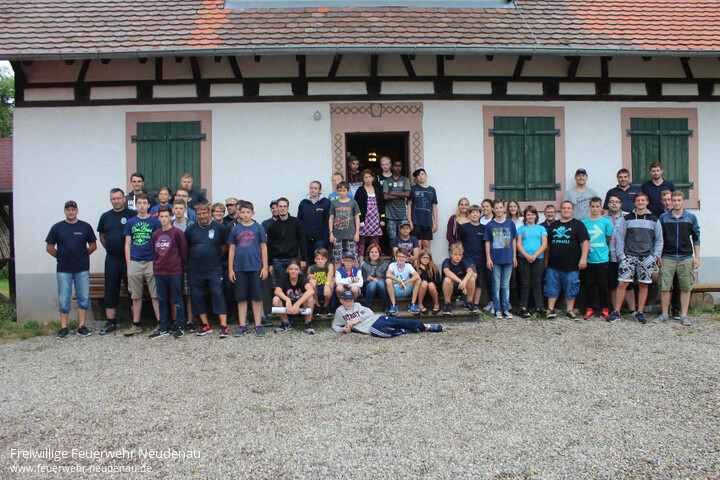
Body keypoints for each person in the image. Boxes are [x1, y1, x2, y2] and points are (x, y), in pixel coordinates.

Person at [608, 193, 663, 324]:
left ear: (647, 202)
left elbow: (659, 240)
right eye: (638, 200)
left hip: (646, 257)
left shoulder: (654, 219)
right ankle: (616, 311)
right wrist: (621, 256)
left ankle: (640, 312)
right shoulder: (627, 219)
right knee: (622, 283)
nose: (640, 202)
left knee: (643, 285)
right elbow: (620, 238)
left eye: (643, 200)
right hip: (629, 256)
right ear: (635, 203)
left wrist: (654, 257)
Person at [46, 201, 97, 338]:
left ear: (77, 211)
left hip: (82, 269)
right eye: (68, 210)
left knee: (83, 297)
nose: (70, 212)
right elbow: (49, 247)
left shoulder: (85, 227)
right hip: (64, 269)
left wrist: (82, 256)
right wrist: (61, 257)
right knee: (64, 298)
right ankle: (64, 327)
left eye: (73, 209)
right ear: (64, 211)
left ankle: (81, 326)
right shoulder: (57, 228)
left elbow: (93, 246)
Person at [185, 202, 230, 337]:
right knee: (198, 296)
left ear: (209, 212)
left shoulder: (219, 227)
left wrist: (215, 256)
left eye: (204, 213)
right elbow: (188, 247)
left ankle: (224, 325)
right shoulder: (191, 229)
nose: (202, 216)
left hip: (214, 268)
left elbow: (225, 245)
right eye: (199, 214)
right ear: (196, 214)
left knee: (218, 294)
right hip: (195, 269)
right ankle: (206, 325)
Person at [656, 191, 700, 326]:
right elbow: (659, 238)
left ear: (683, 201)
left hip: (685, 257)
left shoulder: (691, 218)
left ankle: (684, 315)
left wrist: (697, 257)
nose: (676, 203)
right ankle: (664, 314)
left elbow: (696, 238)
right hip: (667, 256)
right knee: (665, 286)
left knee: (685, 287)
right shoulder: (663, 217)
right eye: (673, 200)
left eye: (678, 200)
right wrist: (659, 255)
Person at [96, 188, 136, 335]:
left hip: (129, 259)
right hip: (112, 259)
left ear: (124, 199)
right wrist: (109, 247)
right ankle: (111, 322)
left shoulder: (132, 215)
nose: (116, 201)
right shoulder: (105, 216)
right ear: (110, 200)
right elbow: (102, 235)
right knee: (110, 289)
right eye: (113, 199)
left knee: (132, 289)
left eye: (119, 198)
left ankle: (135, 322)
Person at [228, 200, 269, 337]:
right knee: (241, 298)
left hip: (256, 267)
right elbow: (231, 249)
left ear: (253, 213)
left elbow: (264, 248)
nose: (245, 215)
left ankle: (258, 325)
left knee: (257, 298)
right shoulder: (235, 229)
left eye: (248, 212)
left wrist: (264, 267)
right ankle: (242, 325)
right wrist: (230, 269)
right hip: (240, 268)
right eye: (243, 212)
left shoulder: (259, 228)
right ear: (239, 213)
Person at [123, 194, 161, 335]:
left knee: (155, 294)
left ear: (148, 205)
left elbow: (158, 243)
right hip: (135, 261)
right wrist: (129, 263)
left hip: (151, 261)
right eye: (140, 203)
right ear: (136, 205)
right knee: (135, 295)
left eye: (145, 203)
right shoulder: (131, 222)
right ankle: (136, 324)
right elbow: (127, 244)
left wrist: (157, 261)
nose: (142, 205)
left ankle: (160, 323)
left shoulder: (155, 222)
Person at [544, 201, 589, 319]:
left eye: (569, 208)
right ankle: (550, 309)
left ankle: (570, 310)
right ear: (561, 210)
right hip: (553, 263)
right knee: (551, 286)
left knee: (571, 286)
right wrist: (546, 258)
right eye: (564, 208)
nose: (566, 210)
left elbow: (585, 241)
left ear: (572, 210)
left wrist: (583, 258)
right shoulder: (554, 225)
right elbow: (548, 244)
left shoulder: (578, 224)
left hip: (572, 264)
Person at [148, 207, 188, 339]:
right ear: (158, 218)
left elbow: (183, 251)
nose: (164, 219)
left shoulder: (177, 233)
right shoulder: (156, 234)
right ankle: (163, 327)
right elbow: (154, 251)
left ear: (171, 217)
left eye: (166, 216)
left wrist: (179, 265)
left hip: (174, 271)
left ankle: (180, 326)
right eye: (162, 216)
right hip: (160, 272)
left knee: (177, 299)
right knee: (162, 300)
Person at [333, 290, 443, 337]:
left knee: (399, 321)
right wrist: (343, 330)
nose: (349, 303)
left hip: (376, 319)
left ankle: (426, 326)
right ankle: (403, 331)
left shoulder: (357, 305)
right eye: (346, 300)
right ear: (341, 301)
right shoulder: (340, 311)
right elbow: (335, 325)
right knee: (383, 333)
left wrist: (357, 320)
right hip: (369, 328)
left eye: (350, 300)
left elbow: (369, 312)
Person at [581, 197, 614, 320]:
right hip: (589, 259)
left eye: (597, 206)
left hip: (602, 259)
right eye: (593, 206)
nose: (595, 209)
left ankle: (604, 308)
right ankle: (589, 308)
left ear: (601, 208)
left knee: (602, 285)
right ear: (589, 207)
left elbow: (608, 238)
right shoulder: (584, 223)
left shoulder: (606, 222)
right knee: (589, 285)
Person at [603, 194, 636, 314]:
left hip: (626, 256)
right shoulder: (603, 219)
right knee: (613, 284)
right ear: (608, 204)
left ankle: (632, 310)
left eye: (616, 202)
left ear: (621, 204)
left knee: (629, 284)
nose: (614, 204)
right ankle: (616, 310)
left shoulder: (629, 217)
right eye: (611, 202)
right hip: (610, 256)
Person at [484, 199, 517, 319]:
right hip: (495, 260)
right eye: (496, 208)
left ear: (504, 208)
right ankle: (497, 309)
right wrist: (488, 258)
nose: (498, 210)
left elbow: (514, 240)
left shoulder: (510, 223)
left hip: (508, 258)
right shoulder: (490, 225)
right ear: (493, 209)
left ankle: (505, 309)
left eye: (500, 207)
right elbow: (487, 242)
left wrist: (514, 256)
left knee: (505, 285)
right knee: (496, 285)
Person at [516, 205, 547, 318]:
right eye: (528, 214)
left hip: (538, 258)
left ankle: (538, 307)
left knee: (537, 282)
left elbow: (544, 244)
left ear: (536, 216)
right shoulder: (521, 229)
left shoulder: (541, 229)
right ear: (525, 216)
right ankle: (523, 307)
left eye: (532, 214)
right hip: (523, 258)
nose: (530, 216)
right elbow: (518, 244)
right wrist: (526, 255)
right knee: (525, 283)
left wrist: (534, 255)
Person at [266, 197, 307, 280]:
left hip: (293, 259)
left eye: (284, 206)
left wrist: (303, 259)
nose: (282, 208)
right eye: (280, 206)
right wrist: (270, 264)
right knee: (281, 284)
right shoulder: (272, 227)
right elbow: (269, 246)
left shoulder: (297, 223)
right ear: (277, 208)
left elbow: (302, 241)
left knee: (297, 283)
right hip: (277, 261)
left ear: (288, 208)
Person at [273, 259, 316, 334]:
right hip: (288, 305)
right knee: (275, 299)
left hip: (300, 304)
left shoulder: (302, 278)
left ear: (299, 270)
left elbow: (311, 291)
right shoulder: (284, 278)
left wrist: (297, 304)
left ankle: (308, 323)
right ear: (287, 270)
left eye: (296, 269)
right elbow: (277, 291)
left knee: (310, 298)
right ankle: (285, 323)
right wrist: (287, 300)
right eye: (291, 269)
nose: (293, 271)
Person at [457, 205, 485, 309]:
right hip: (468, 258)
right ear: (469, 214)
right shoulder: (464, 227)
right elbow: (459, 241)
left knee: (480, 283)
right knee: (472, 277)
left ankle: (476, 304)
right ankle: (469, 301)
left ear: (480, 214)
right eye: (473, 212)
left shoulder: (483, 228)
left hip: (481, 258)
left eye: (477, 212)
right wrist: (461, 253)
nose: (475, 214)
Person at [328, 181, 361, 268]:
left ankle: (357, 275)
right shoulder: (334, 203)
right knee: (337, 258)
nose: (342, 192)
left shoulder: (353, 202)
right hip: (337, 235)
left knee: (354, 257)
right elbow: (331, 218)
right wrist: (331, 233)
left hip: (351, 235)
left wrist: (357, 233)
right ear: (337, 191)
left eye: (344, 190)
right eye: (340, 190)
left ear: (348, 191)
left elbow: (357, 218)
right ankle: (338, 275)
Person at [297, 181, 331, 265]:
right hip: (307, 239)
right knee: (311, 262)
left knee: (320, 261)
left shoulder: (326, 203)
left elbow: (328, 221)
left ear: (320, 190)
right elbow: (299, 221)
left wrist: (326, 239)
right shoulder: (303, 203)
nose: (313, 190)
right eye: (311, 188)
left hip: (320, 239)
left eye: (315, 188)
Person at [354, 170, 386, 258]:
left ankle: (375, 258)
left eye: (369, 177)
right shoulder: (360, 190)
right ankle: (361, 259)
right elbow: (357, 206)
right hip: (365, 218)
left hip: (375, 218)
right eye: (365, 177)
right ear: (363, 179)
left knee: (375, 240)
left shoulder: (377, 189)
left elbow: (381, 205)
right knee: (362, 239)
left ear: (373, 178)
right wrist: (360, 220)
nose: (368, 179)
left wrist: (382, 219)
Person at [407, 167, 438, 250]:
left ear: (426, 175)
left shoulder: (432, 190)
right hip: (416, 221)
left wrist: (435, 223)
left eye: (422, 174)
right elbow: (409, 205)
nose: (421, 177)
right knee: (418, 244)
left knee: (426, 243)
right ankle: (417, 259)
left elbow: (434, 206)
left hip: (427, 221)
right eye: (418, 175)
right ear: (416, 178)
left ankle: (428, 259)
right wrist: (410, 220)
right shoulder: (413, 189)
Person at [442, 243, 478, 315]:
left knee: (472, 278)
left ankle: (469, 303)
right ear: (450, 254)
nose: (457, 257)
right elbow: (447, 272)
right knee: (447, 280)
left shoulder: (464, 261)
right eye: (455, 254)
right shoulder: (446, 261)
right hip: (449, 287)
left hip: (462, 287)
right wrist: (461, 282)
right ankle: (447, 304)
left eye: (459, 255)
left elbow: (470, 271)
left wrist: (464, 282)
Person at [385, 248, 421, 315]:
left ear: (406, 258)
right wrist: (400, 281)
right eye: (399, 256)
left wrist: (405, 283)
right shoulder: (392, 265)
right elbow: (388, 274)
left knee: (418, 280)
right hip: (395, 289)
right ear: (396, 257)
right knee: (388, 280)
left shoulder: (408, 266)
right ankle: (394, 305)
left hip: (406, 289)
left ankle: (412, 304)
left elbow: (417, 276)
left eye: (403, 257)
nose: (401, 259)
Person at [382, 159, 411, 241]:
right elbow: (385, 197)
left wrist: (392, 193)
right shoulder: (387, 181)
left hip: (402, 214)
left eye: (399, 166)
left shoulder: (405, 180)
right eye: (395, 166)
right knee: (392, 238)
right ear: (392, 167)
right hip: (390, 214)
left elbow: (407, 194)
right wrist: (401, 194)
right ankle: (392, 250)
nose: (397, 168)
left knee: (403, 237)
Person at [361, 243, 390, 312]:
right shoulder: (364, 265)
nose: (374, 254)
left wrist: (378, 280)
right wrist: (367, 280)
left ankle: (386, 305)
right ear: (368, 254)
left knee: (380, 283)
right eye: (371, 252)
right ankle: (368, 306)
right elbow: (362, 282)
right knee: (372, 284)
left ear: (379, 253)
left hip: (382, 289)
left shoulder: (384, 265)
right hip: (369, 290)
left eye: (376, 252)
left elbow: (387, 279)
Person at [308, 248, 334, 316]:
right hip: (316, 289)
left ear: (326, 259)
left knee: (331, 283)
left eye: (322, 259)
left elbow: (330, 275)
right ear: (315, 259)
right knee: (312, 282)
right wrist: (309, 277)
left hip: (326, 289)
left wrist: (327, 286)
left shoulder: (329, 266)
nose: (320, 261)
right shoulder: (311, 268)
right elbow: (308, 281)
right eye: (318, 259)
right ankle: (317, 306)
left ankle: (326, 306)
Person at [414, 249, 441, 314]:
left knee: (430, 284)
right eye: (423, 257)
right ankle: (420, 304)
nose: (425, 259)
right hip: (421, 290)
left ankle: (436, 304)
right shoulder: (416, 268)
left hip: (432, 290)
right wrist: (423, 270)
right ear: (420, 258)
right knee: (424, 283)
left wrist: (425, 271)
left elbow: (437, 282)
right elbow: (420, 280)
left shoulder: (434, 268)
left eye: (427, 258)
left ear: (430, 259)